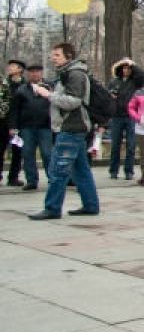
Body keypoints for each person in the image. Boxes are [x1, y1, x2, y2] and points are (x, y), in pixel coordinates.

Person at [28, 43, 101, 220]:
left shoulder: (75, 74)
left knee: (58, 170)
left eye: (57, 55)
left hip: (71, 127)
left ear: (68, 56)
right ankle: (91, 205)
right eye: (53, 55)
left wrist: (48, 95)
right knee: (80, 169)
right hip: (73, 127)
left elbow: (73, 101)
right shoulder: (68, 73)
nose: (53, 58)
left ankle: (52, 208)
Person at [10, 64, 52, 191]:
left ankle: (53, 179)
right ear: (28, 74)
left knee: (47, 153)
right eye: (32, 72)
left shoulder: (50, 87)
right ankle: (32, 180)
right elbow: (15, 110)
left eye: (37, 71)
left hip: (46, 126)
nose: (34, 74)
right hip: (26, 127)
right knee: (27, 154)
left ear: (41, 73)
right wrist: (13, 126)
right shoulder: (22, 90)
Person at [106, 58, 144, 181]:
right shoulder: (114, 82)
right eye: (124, 68)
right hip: (117, 116)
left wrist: (134, 65)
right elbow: (107, 97)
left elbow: (143, 76)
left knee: (131, 145)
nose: (126, 70)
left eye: (128, 68)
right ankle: (113, 170)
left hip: (131, 116)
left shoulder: (135, 82)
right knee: (115, 145)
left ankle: (129, 171)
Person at [2, 59, 26, 185]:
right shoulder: (4, 83)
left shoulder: (25, 85)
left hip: (20, 121)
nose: (10, 68)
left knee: (18, 150)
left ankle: (13, 177)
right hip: (3, 121)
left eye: (13, 66)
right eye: (9, 66)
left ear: (20, 69)